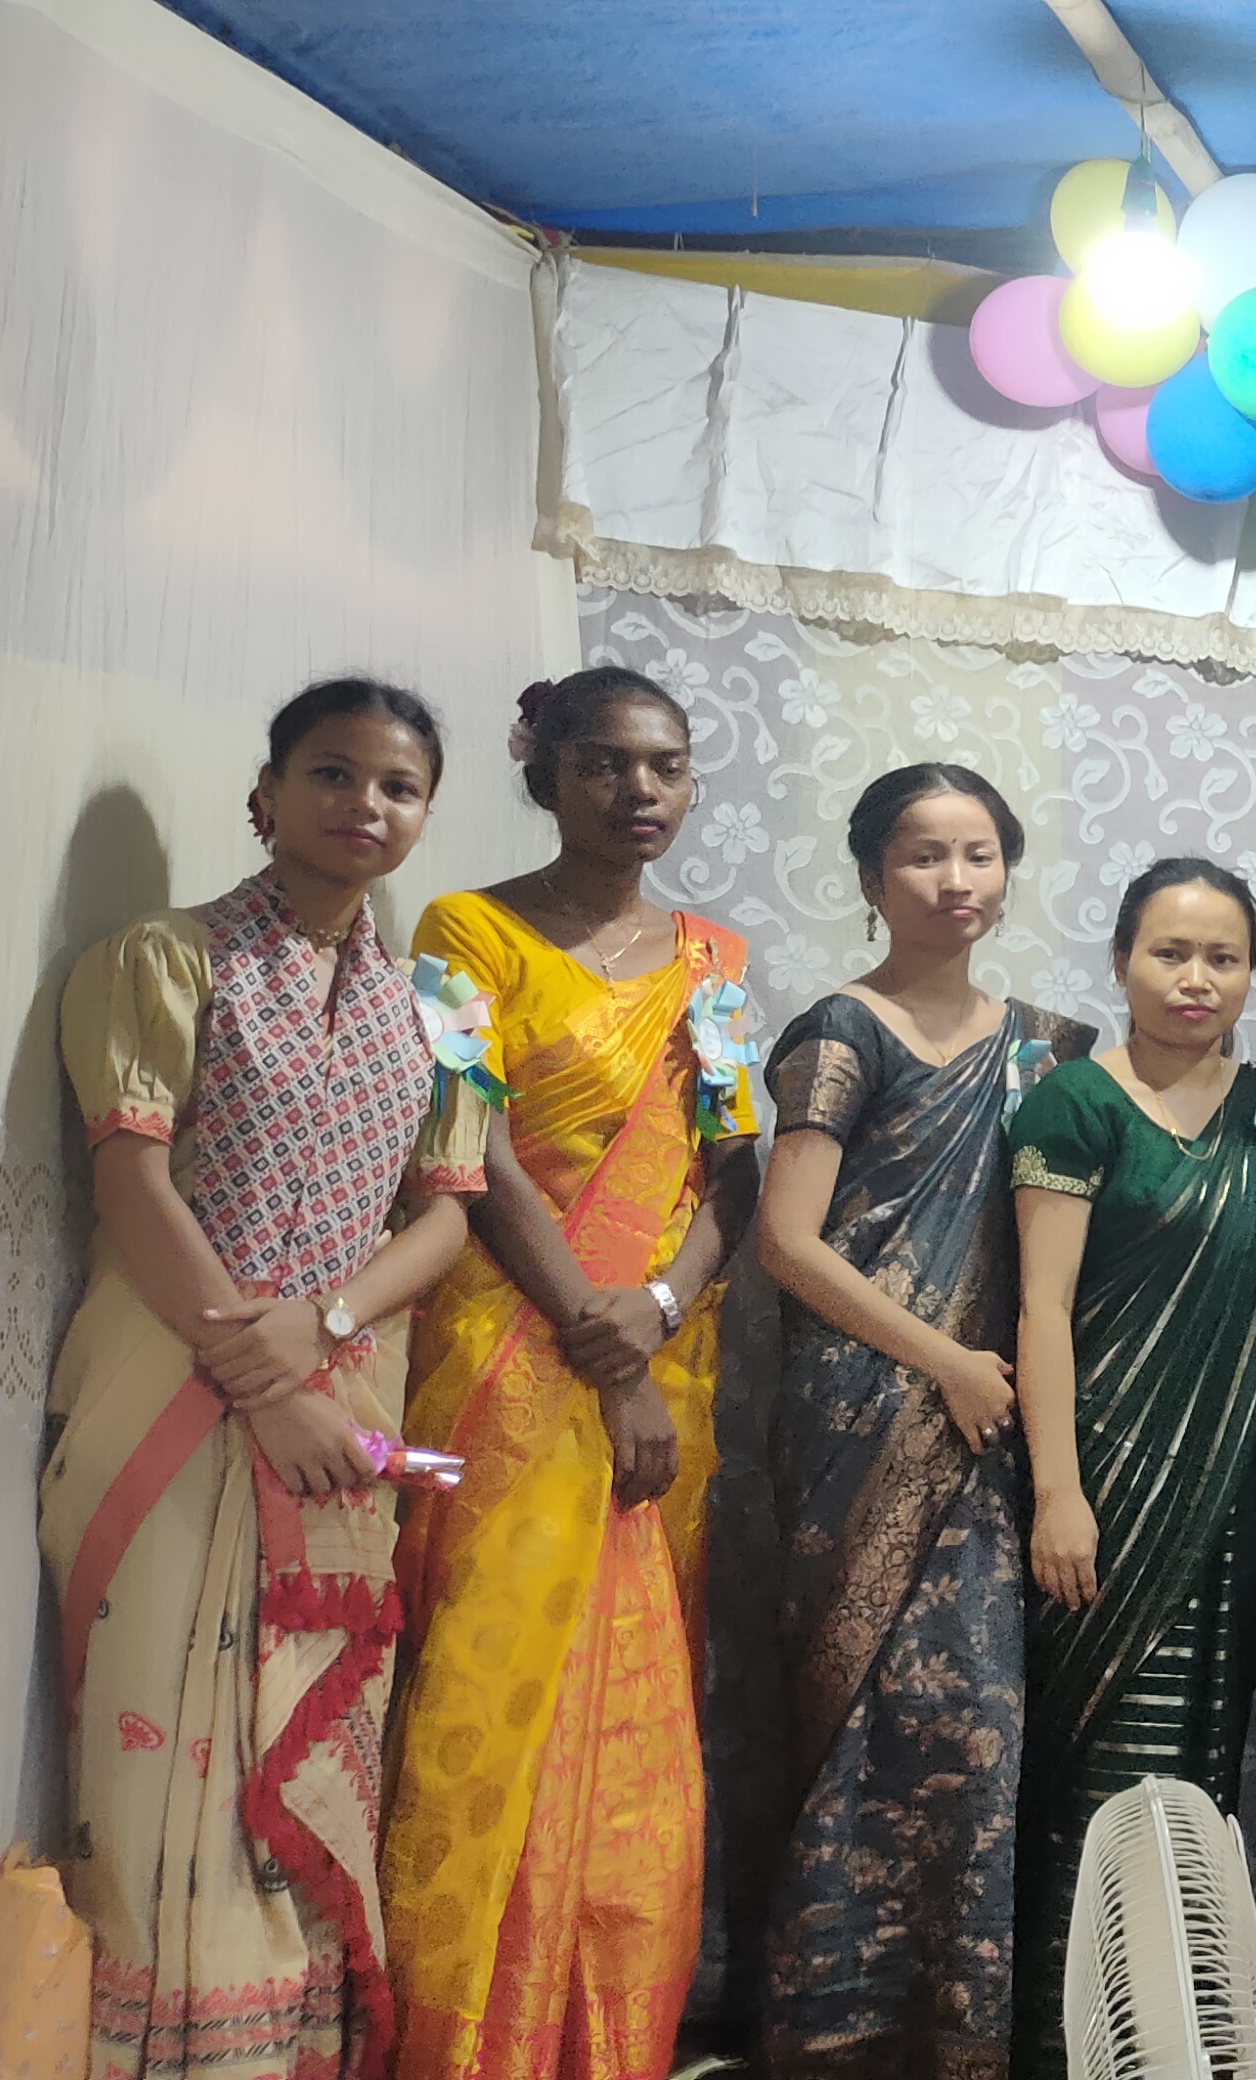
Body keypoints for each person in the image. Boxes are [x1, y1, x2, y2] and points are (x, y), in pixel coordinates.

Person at [42, 680, 489, 2080]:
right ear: (268, 793)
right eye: (332, 773)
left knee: (299, 1732)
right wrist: (267, 1383)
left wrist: (325, 1324)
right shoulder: (166, 961)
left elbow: (446, 1216)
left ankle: (283, 2047)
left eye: (399, 786)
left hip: (340, 1391)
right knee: (161, 1732)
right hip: (170, 1395)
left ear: (426, 812)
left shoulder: (443, 1006)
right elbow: (134, 1182)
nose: (365, 805)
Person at [386, 666, 760, 2080]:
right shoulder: (464, 932)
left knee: (635, 1725)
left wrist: (655, 1311)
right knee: (491, 1697)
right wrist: (603, 1351)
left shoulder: (712, 960)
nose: (640, 790)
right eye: (605, 763)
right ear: (542, 771)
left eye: (667, 765)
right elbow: (468, 1144)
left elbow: (732, 1163)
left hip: (661, 1356)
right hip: (509, 1358)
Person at [745, 765, 1096, 2080]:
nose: (956, 880)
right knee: (859, 1723)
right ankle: (832, 2039)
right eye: (922, 855)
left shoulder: (1049, 1050)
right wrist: (944, 1358)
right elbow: (786, 1242)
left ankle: (955, 2037)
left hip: (989, 1430)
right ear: (870, 876)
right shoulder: (843, 1031)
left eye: (980, 854)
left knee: (969, 1727)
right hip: (861, 1415)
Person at [1004, 857, 1256, 2077]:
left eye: (1223, 957)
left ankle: (1184, 2049)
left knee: (1196, 1780)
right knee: (1094, 1781)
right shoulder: (1076, 1103)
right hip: (1106, 1493)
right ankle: (1066, 2051)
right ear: (1121, 959)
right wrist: (1058, 1492)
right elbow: (1042, 1309)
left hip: (1230, 1497)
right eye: (1169, 952)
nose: (1195, 979)